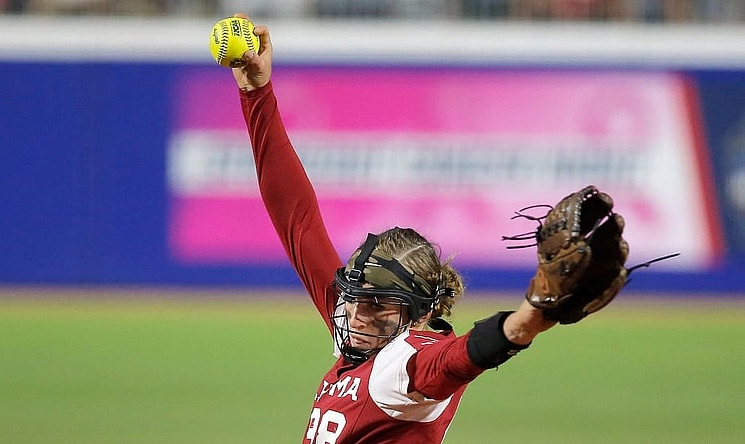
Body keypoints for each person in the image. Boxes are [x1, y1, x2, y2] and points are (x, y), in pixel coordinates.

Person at [229, 14, 557, 444]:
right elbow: (296, 217)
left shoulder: (402, 366)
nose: (357, 313)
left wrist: (525, 321)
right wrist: (256, 92)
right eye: (356, 299)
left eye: (378, 305)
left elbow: (459, 359)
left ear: (419, 315)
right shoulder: (362, 327)